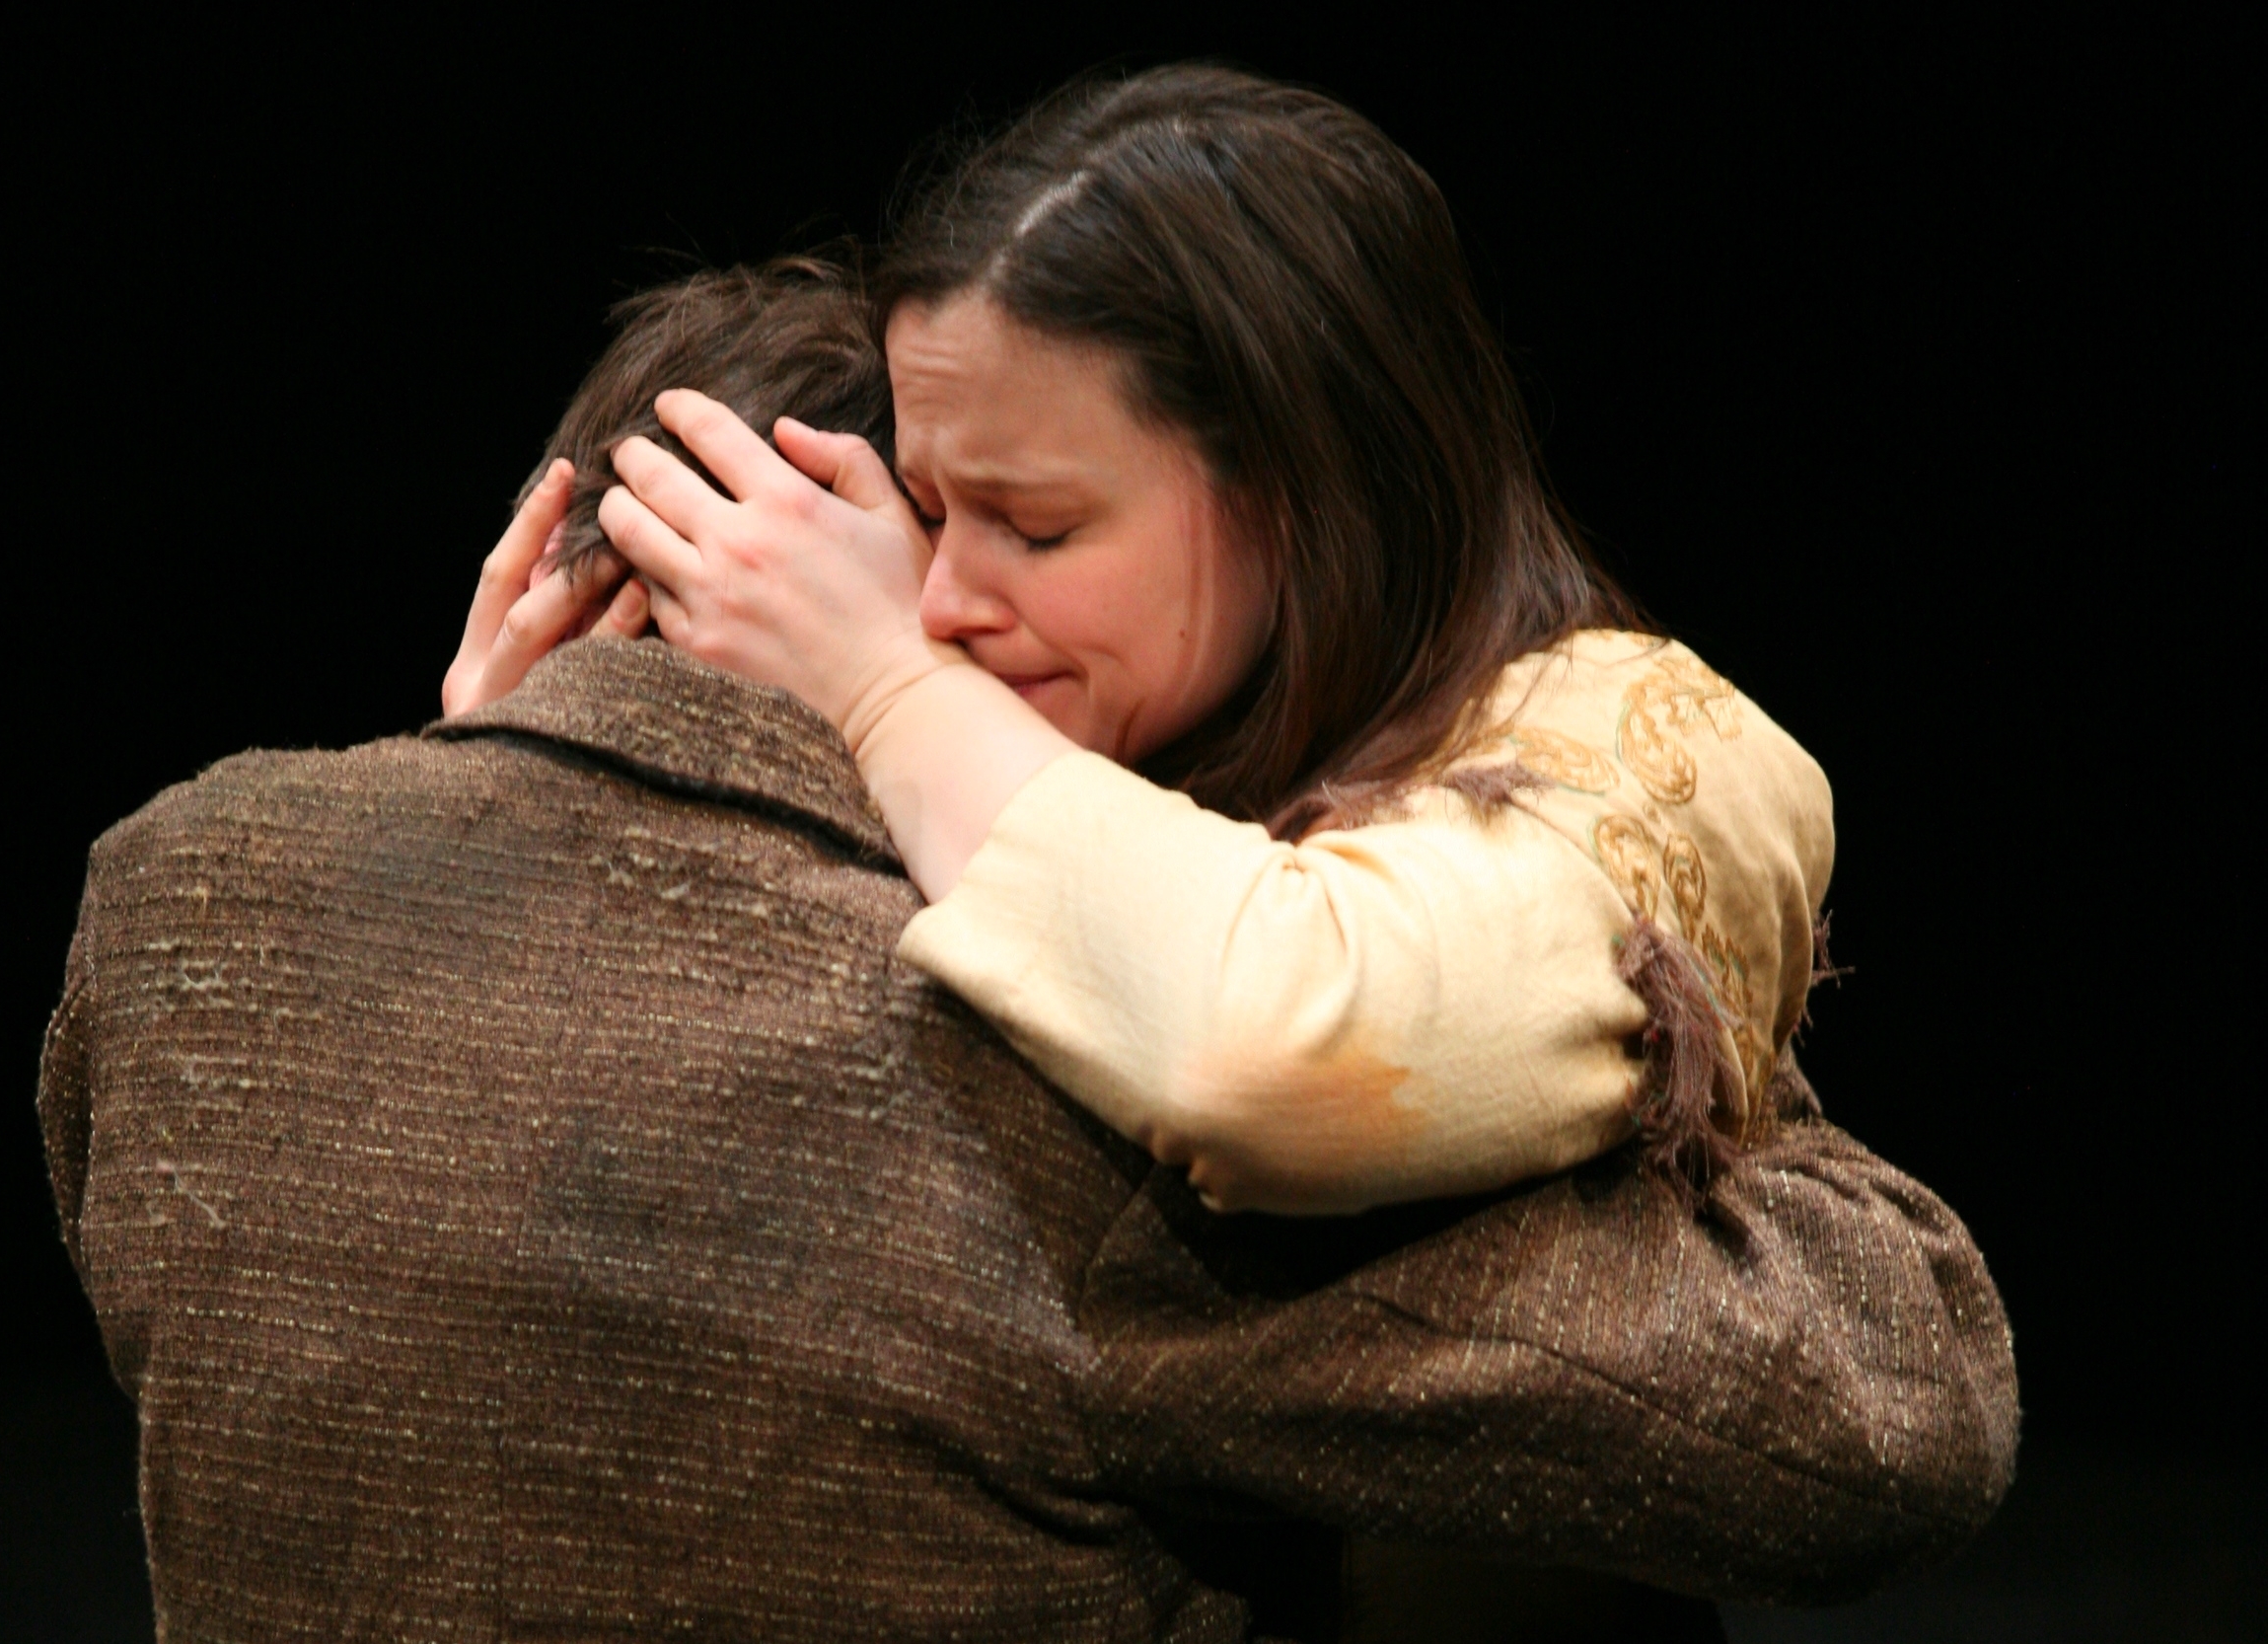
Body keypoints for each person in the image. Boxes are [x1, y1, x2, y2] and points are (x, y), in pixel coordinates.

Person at [44, 261, 2016, 1640]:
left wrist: (492, 781)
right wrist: (1649, 931)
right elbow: (1873, 1410)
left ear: (546, 564)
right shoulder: (1054, 1086)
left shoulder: (175, 896)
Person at [443, 65, 1831, 1220]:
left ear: (1299, 497)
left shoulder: (1651, 741)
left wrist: (884, 688)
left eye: (1034, 528)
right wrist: (507, 798)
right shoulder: (1069, 731)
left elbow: (1278, 1055)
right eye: (927, 517)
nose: (937, 604)